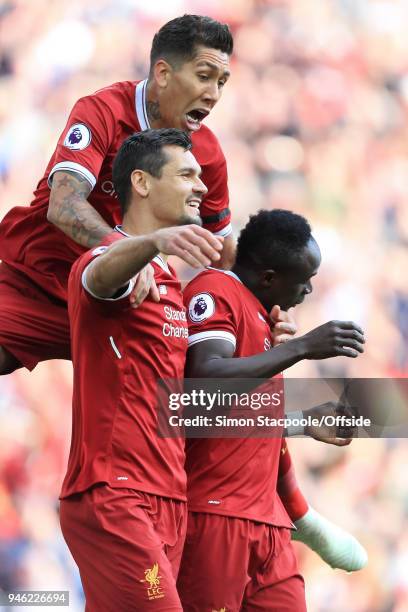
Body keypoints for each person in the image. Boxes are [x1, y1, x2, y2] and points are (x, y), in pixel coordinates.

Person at [0, 14, 234, 375]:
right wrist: (125, 250)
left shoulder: (207, 153)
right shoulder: (104, 110)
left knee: (199, 375)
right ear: (163, 73)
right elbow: (63, 205)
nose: (213, 94)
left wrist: (267, 304)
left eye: (221, 81)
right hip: (37, 281)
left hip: (127, 299)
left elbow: (222, 255)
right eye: (204, 77)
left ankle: (300, 419)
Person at [59, 128, 224, 612]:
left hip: (168, 499)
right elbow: (100, 275)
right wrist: (150, 243)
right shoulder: (109, 264)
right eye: (187, 174)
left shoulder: (172, 284)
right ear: (143, 183)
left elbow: (188, 401)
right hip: (115, 494)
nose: (202, 187)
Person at [177, 209, 367, 611]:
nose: (309, 292)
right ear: (268, 278)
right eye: (305, 282)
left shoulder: (263, 317)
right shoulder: (214, 291)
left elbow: (236, 416)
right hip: (215, 514)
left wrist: (303, 423)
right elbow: (203, 385)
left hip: (267, 520)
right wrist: (299, 349)